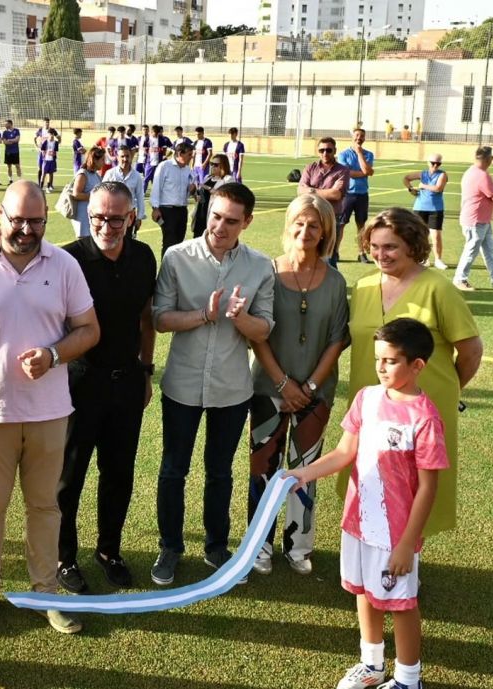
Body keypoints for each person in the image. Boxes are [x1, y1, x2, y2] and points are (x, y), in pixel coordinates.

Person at [0, 181, 100, 636]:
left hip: (49, 411)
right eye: (18, 220)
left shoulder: (65, 265)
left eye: (36, 222)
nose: (27, 230)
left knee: (44, 506)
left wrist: (53, 355)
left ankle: (45, 592)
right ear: (1, 213)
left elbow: (89, 329)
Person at [288, 317, 449, 689]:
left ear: (417, 365)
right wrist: (302, 474)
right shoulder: (366, 398)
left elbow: (428, 488)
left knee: (402, 604)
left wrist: (407, 544)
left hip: (395, 535)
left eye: (390, 361)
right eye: (378, 359)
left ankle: (408, 680)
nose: (381, 367)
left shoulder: (424, 418)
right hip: (358, 523)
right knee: (364, 592)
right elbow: (344, 452)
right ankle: (372, 665)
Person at [150, 182, 274, 586]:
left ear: (247, 222)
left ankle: (216, 547)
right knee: (174, 469)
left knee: (220, 472)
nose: (219, 227)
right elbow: (160, 319)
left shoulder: (260, 266)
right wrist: (204, 314)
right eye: (215, 216)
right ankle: (170, 547)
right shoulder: (177, 257)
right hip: (182, 384)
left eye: (231, 221)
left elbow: (264, 328)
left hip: (231, 388)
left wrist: (240, 317)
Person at [346, 208, 483, 552]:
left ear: (412, 245)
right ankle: (372, 559)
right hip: (371, 407)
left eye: (390, 246)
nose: (381, 254)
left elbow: (471, 350)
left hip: (420, 411)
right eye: (374, 246)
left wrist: (446, 391)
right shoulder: (363, 286)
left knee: (412, 486)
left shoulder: (438, 289)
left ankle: (407, 563)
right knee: (371, 480)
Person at [57, 181, 156, 593]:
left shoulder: (144, 256)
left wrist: (146, 370)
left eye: (116, 219)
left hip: (127, 382)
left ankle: (108, 550)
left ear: (131, 218)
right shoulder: (67, 259)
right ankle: (64, 557)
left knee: (118, 474)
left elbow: (146, 318)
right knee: (69, 477)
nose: (106, 226)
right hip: (80, 383)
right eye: (98, 216)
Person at [247, 194, 349, 577]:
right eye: (299, 223)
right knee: (263, 469)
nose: (305, 231)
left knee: (305, 470)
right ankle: (259, 545)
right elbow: (257, 335)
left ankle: (298, 545)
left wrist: (308, 387)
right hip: (267, 389)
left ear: (325, 232)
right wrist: (283, 384)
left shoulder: (335, 281)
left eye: (314, 225)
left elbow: (337, 340)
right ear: (288, 226)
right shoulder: (267, 273)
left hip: (315, 395)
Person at [453, 146, 493, 290]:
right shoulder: (482, 175)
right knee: (471, 250)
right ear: (489, 159)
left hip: (481, 220)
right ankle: (459, 279)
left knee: (489, 249)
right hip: (475, 220)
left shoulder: (471, 172)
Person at [298, 136, 350, 264]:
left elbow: (336, 194)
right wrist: (326, 192)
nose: (325, 153)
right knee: (308, 252)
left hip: (331, 217)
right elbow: (300, 191)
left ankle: (332, 277)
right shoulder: (310, 168)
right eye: (322, 150)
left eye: (328, 150)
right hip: (311, 216)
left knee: (329, 256)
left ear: (335, 151)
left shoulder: (342, 170)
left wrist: (311, 190)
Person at [150, 141, 196, 257]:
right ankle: (166, 268)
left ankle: (175, 267)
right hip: (167, 211)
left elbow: (190, 191)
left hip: (182, 210)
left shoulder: (187, 169)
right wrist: (155, 208)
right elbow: (156, 187)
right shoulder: (164, 166)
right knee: (169, 242)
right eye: (189, 154)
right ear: (180, 153)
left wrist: (192, 189)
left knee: (179, 243)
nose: (191, 157)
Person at [337, 128, 376, 264]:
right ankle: (335, 251)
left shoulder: (368, 154)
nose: (359, 138)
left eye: (362, 136)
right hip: (347, 194)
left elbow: (367, 170)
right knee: (341, 224)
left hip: (362, 194)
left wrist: (359, 153)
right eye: (357, 135)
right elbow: (347, 173)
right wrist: (364, 172)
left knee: (361, 225)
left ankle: (361, 253)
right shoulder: (343, 154)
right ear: (352, 137)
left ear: (364, 138)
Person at [403, 154, 448, 269]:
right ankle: (424, 258)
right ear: (428, 163)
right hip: (420, 207)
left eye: (438, 164)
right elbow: (406, 178)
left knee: (435, 235)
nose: (435, 165)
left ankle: (438, 260)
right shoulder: (422, 174)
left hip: (435, 208)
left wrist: (423, 185)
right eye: (433, 163)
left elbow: (438, 188)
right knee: (420, 235)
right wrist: (411, 189)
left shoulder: (442, 175)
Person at [102, 146, 145, 239]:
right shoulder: (110, 174)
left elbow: (140, 197)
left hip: (129, 215)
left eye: (127, 156)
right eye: (122, 156)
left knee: (127, 241)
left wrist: (139, 218)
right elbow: (102, 195)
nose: (125, 159)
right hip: (112, 214)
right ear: (117, 157)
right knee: (112, 239)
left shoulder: (137, 176)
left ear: (131, 157)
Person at [191, 154, 235, 240]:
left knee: (210, 240)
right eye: (211, 164)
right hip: (200, 213)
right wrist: (194, 192)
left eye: (216, 165)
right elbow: (200, 197)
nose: (212, 167)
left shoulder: (228, 179)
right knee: (198, 239)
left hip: (213, 214)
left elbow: (229, 196)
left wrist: (210, 189)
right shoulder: (207, 177)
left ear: (223, 166)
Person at [69, 146, 106, 238]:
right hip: (83, 216)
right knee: (84, 242)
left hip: (92, 215)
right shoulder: (83, 174)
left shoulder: (96, 175)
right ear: (95, 160)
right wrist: (95, 197)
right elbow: (76, 194)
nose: (104, 162)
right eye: (102, 160)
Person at [142, 125, 171, 195]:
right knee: (146, 179)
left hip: (159, 163)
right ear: (151, 131)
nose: (154, 134)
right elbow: (145, 148)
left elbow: (164, 148)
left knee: (157, 179)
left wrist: (163, 155)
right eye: (153, 133)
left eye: (156, 133)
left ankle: (158, 193)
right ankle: (142, 193)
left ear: (158, 133)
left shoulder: (161, 139)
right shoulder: (148, 138)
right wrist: (147, 154)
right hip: (149, 163)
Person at [39, 129, 59, 193]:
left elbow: (56, 151)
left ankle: (48, 187)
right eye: (50, 134)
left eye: (52, 134)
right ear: (48, 135)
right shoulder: (45, 142)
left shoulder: (55, 143)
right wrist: (44, 154)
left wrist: (53, 153)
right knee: (43, 174)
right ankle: (41, 187)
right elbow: (42, 149)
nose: (51, 135)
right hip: (46, 161)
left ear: (53, 135)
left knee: (50, 174)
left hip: (52, 161)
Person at [2, 119, 21, 183]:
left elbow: (17, 139)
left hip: (15, 151)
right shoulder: (5, 132)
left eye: (6, 124)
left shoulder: (16, 131)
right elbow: (4, 142)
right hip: (8, 152)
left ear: (10, 124)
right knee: (8, 166)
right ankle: (10, 180)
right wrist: (13, 141)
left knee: (17, 166)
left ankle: (19, 180)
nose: (5, 125)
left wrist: (9, 140)